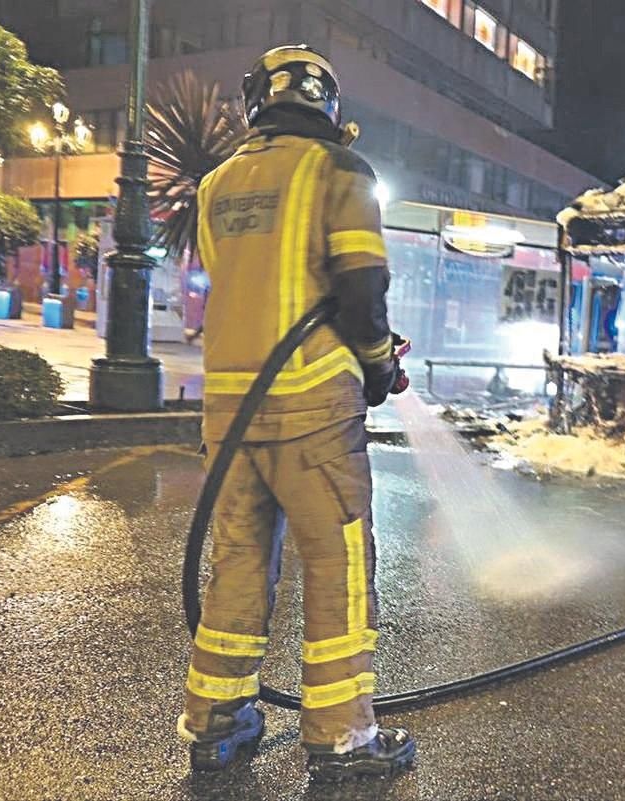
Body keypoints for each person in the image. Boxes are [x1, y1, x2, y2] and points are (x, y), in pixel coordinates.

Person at [177, 45, 414, 781]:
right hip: (313, 408)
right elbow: (360, 290)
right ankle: (342, 737)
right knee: (337, 565)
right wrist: (379, 364)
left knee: (239, 563)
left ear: (256, 102)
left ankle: (217, 723)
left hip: (229, 411)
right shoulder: (340, 173)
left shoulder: (214, 186)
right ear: (329, 107)